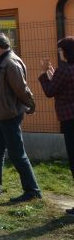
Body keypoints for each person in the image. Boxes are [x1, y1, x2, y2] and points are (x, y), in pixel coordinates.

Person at [0, 33, 41, 203]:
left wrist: (31, 105)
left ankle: (32, 190)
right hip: (1, 114)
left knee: (17, 153)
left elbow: (21, 88)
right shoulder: (3, 61)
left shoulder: (10, 63)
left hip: (9, 114)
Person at [38, 36, 74, 215]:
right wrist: (53, 75)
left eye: (60, 50)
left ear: (65, 51)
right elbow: (64, 87)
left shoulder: (64, 70)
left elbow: (50, 91)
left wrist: (44, 73)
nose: (58, 53)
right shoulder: (67, 70)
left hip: (70, 119)